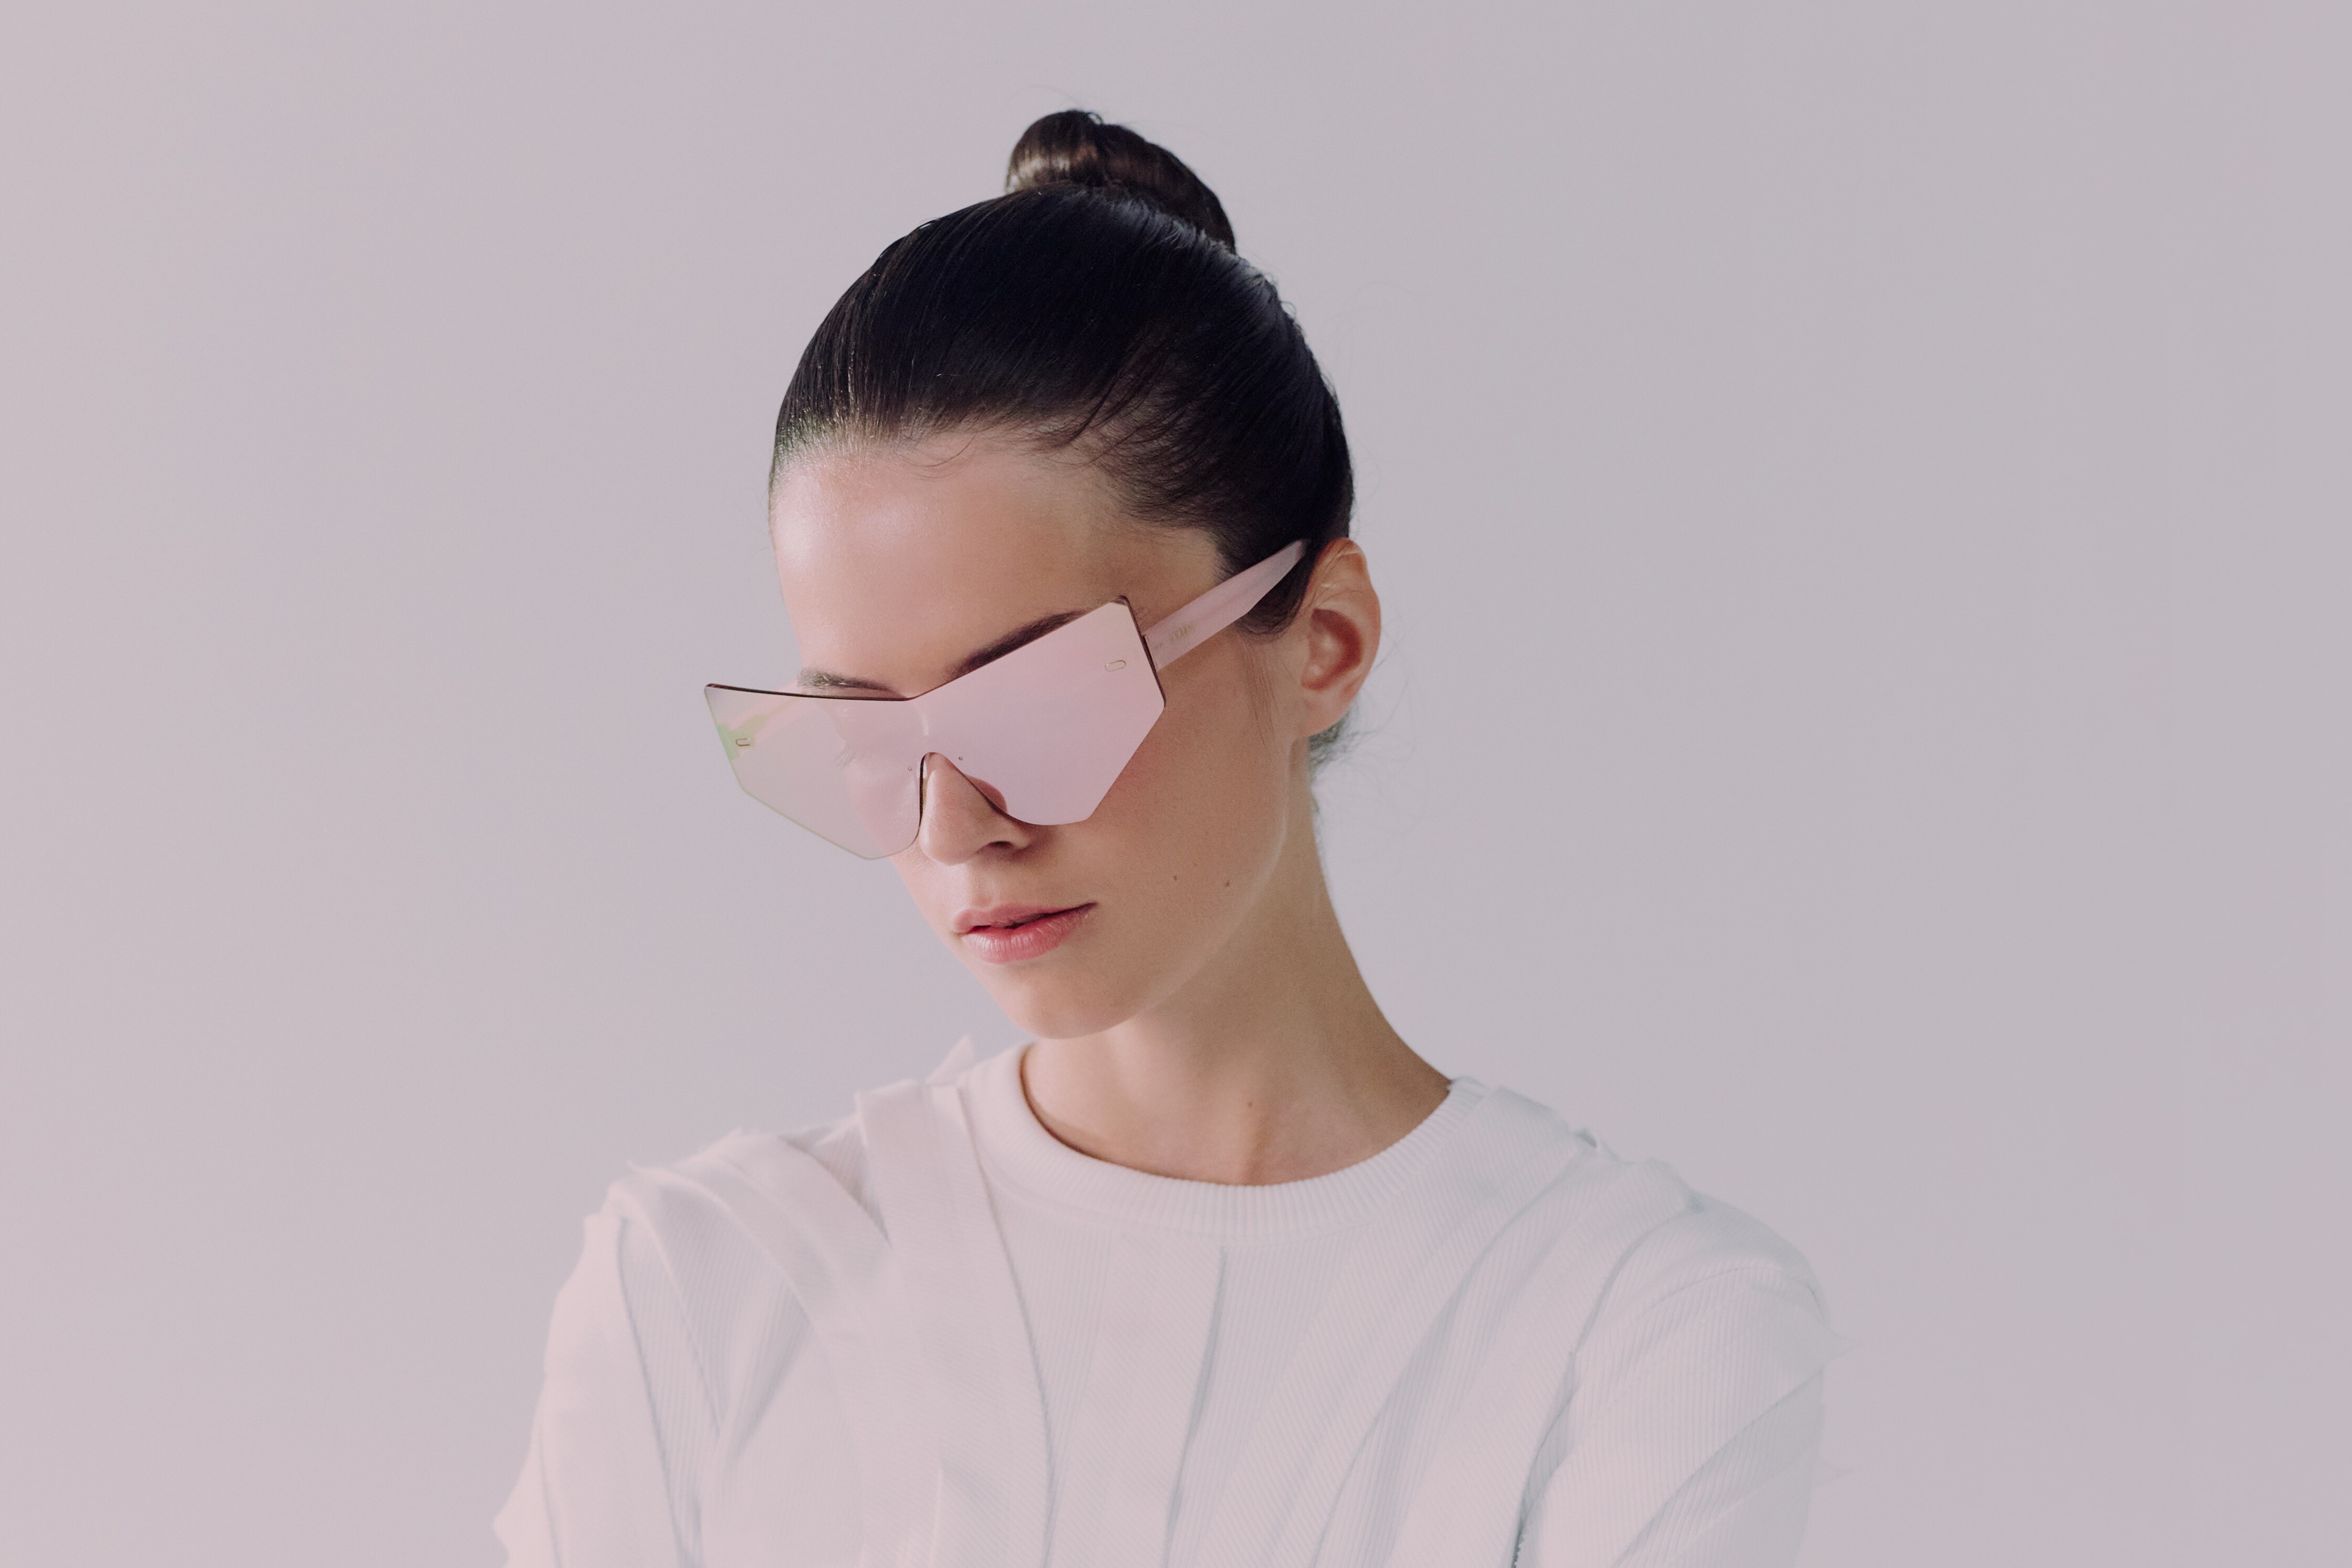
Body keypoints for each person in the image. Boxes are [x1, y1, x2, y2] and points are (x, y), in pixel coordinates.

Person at [494, 109, 1846, 1568]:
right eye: (867, 739)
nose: (956, 829)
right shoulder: (704, 1294)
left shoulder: (1631, 1334)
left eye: (1034, 703)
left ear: (1325, 638)